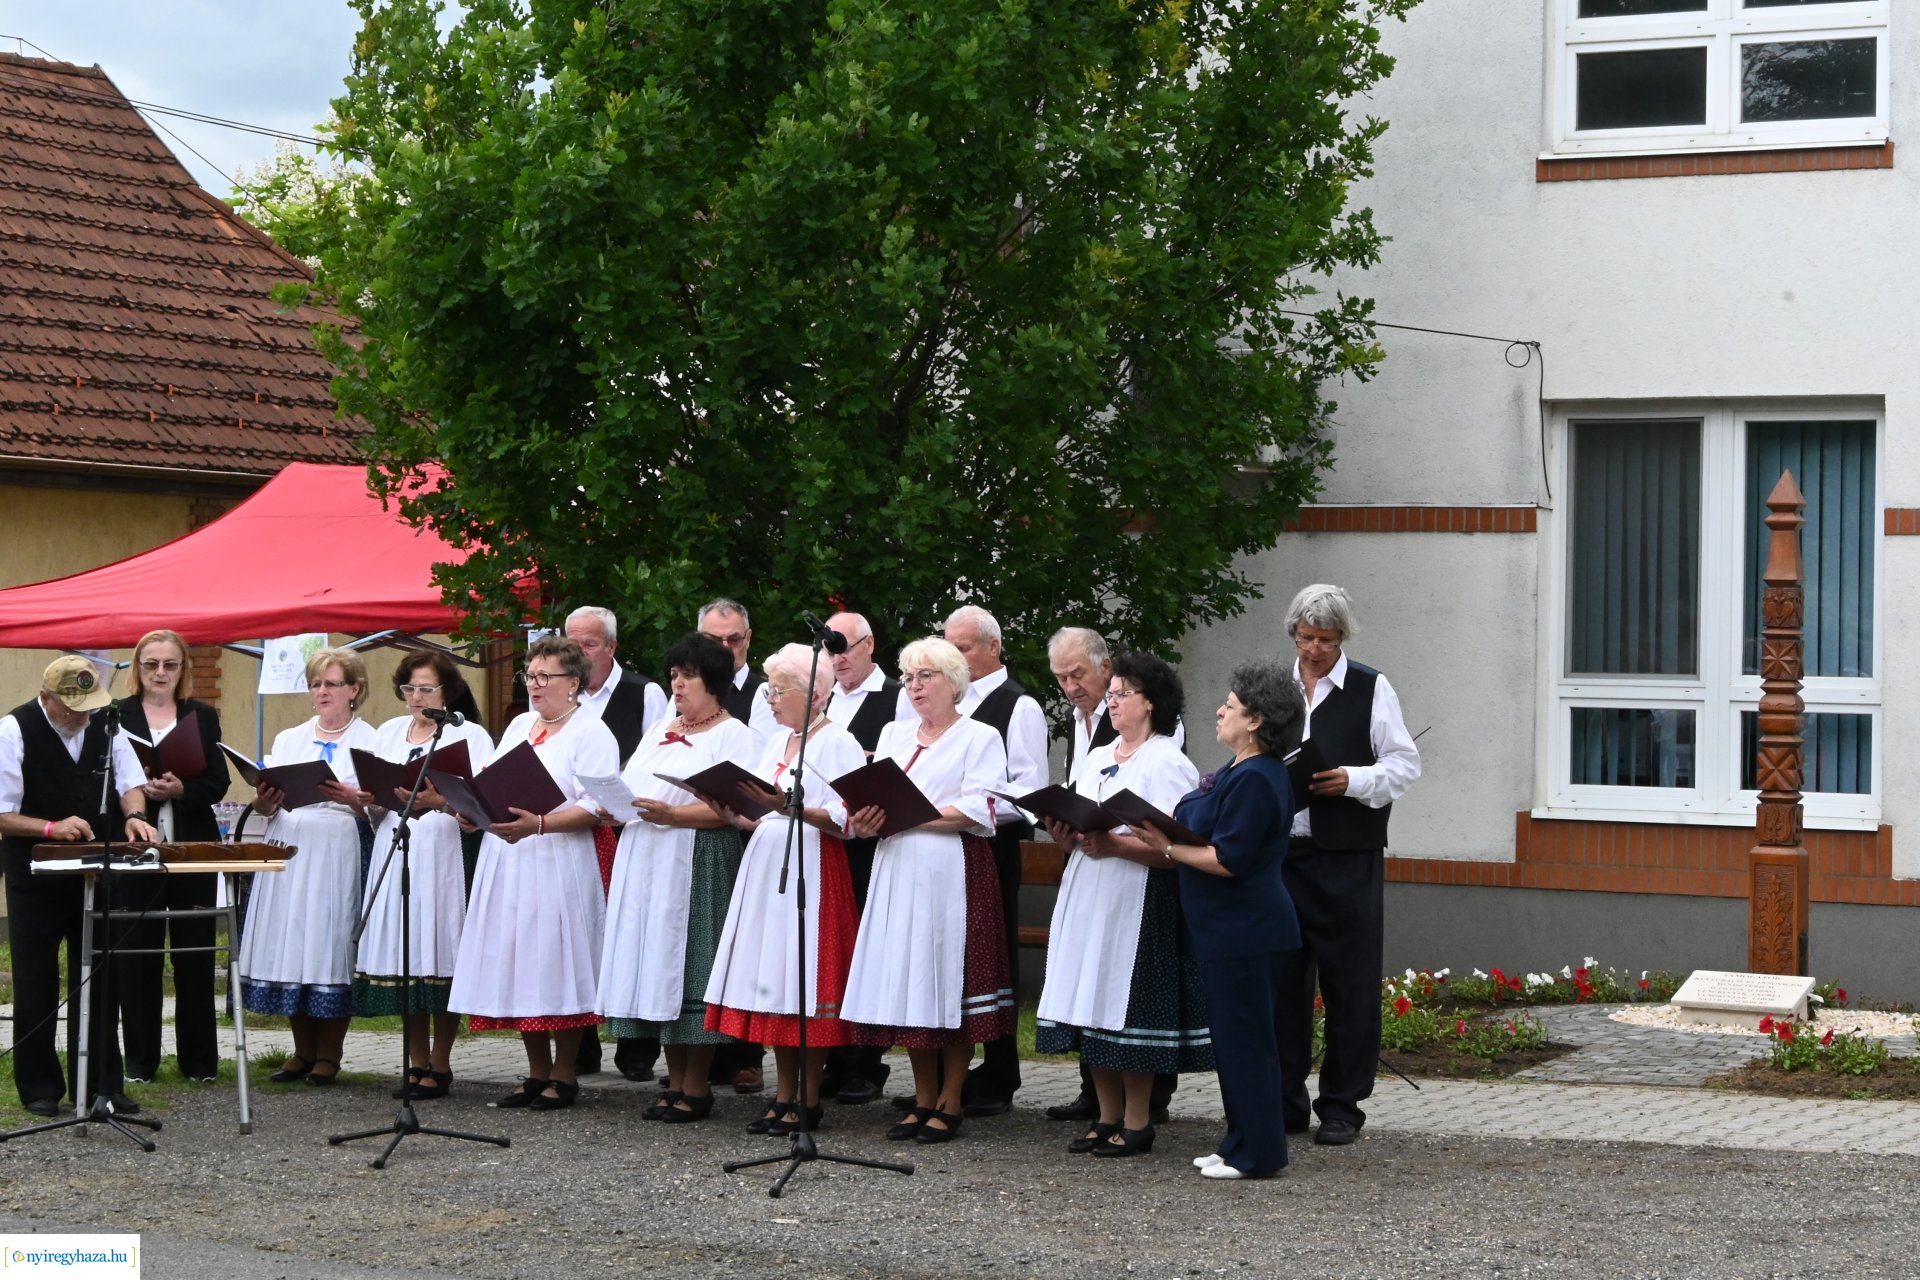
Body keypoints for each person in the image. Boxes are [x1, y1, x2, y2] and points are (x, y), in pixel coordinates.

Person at [841, 637, 1017, 1144]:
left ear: (954, 683)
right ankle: (922, 1097)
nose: (915, 686)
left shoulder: (979, 736)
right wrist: (870, 818)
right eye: (910, 677)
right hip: (897, 868)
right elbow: (871, 806)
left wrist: (910, 814)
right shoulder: (895, 733)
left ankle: (952, 1097)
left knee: (948, 980)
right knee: (912, 981)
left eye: (927, 676)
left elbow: (975, 808)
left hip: (951, 870)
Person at [1134, 659, 1305, 1180]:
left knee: (1249, 1043)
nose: (1218, 711)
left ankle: (1262, 1153)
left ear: (1254, 720)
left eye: (1229, 705)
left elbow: (1229, 859)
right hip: (1221, 929)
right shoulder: (1235, 769)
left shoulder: (1259, 777)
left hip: (1247, 929)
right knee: (1230, 1041)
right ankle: (1237, 1141)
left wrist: (1167, 849)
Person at [1035, 653, 1206, 1158]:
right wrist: (1063, 831)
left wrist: (1115, 845)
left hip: (1138, 898)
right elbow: (1084, 821)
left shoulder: (1168, 761)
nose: (1111, 703)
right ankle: (1105, 1114)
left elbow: (1176, 847)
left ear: (1150, 701)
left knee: (1127, 1010)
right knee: (1091, 1001)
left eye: (1121, 694)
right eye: (1110, 694)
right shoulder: (1098, 755)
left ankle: (1137, 1119)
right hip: (1089, 892)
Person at [1276, 584, 1421, 1146]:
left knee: (1350, 983)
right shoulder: (1275, 688)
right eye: (1306, 637)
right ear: (1294, 633)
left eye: (1326, 640)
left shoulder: (1369, 686)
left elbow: (1404, 765)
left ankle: (1341, 1105)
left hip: (1346, 858)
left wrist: (1352, 780)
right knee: (1282, 984)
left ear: (1343, 638)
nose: (1314, 649)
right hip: (1284, 855)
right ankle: (1285, 1100)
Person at [449, 636, 619, 1112]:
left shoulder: (591, 731)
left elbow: (596, 806)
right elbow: (490, 779)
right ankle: (536, 1072)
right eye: (530, 675)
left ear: (574, 683)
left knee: (556, 961)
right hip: (509, 857)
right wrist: (473, 810)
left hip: (559, 859)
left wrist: (541, 823)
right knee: (519, 960)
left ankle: (564, 1075)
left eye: (545, 677)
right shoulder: (521, 724)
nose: (534, 685)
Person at [596, 632, 760, 1122]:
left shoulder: (736, 735)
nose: (677, 684)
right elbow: (634, 785)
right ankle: (675, 1079)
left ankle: (698, 1084)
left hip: (699, 856)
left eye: (686, 676)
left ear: (713, 681)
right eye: (673, 675)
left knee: (692, 962)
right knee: (657, 964)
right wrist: (617, 806)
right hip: (648, 858)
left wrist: (676, 816)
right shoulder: (662, 730)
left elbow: (737, 809)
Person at [704, 643, 865, 1134]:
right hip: (768, 861)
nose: (769, 698)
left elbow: (847, 818)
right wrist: (736, 808)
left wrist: (790, 807)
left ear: (814, 694)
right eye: (768, 688)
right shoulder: (776, 742)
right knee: (775, 978)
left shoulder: (837, 742)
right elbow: (765, 808)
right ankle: (783, 1092)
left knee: (804, 982)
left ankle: (808, 1096)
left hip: (812, 864)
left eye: (779, 690)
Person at [0, 656, 151, 1116]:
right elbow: (2, 813)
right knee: (36, 977)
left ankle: (102, 1082)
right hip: (35, 873)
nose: (83, 715)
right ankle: (40, 1085)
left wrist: (136, 816)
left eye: (88, 705)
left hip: (97, 868)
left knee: (103, 975)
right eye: (72, 707)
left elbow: (131, 782)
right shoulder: (12, 730)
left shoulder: (107, 725)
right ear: (46, 698)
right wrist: (49, 828)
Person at [352, 651, 496, 1101]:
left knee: (439, 948)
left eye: (426, 689)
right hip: (396, 847)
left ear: (447, 692)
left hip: (444, 851)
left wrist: (442, 802)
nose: (416, 697)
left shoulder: (469, 734)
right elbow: (379, 794)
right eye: (410, 689)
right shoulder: (391, 732)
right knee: (407, 952)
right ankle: (416, 1061)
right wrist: (368, 797)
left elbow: (483, 804)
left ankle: (442, 1059)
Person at [236, 647, 379, 1087]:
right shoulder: (290, 738)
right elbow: (270, 800)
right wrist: (263, 801)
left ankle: (329, 1055)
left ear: (354, 690)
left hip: (338, 844)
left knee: (328, 940)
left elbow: (380, 807)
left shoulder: (371, 739)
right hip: (292, 841)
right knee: (294, 938)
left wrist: (355, 800)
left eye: (332, 684)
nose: (322, 692)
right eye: (316, 684)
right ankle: (301, 1051)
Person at [942, 604, 1046, 1115]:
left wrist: (972, 805)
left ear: (992, 647)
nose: (952, 657)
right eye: (948, 646)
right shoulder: (944, 704)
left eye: (961, 648)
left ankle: (1002, 1070)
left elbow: (1028, 790)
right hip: (943, 844)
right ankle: (946, 1071)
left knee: (994, 951)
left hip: (992, 844)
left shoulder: (1017, 705)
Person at [114, 629, 231, 1084]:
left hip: (190, 844)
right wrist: (136, 791)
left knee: (194, 951)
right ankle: (140, 1061)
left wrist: (183, 790)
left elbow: (217, 781)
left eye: (169, 664)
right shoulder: (115, 715)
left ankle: (199, 1062)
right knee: (138, 952)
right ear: (137, 668)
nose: (160, 673)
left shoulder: (200, 716)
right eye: (151, 664)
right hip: (134, 845)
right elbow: (102, 780)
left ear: (183, 670)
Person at [564, 604, 666, 1081]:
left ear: (610, 647)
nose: (577, 653)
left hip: (628, 830)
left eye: (587, 644)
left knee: (628, 932)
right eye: (571, 642)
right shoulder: (553, 694)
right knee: (581, 936)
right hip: (574, 830)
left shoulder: (643, 693)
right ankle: (580, 1044)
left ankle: (636, 1047)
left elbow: (657, 756)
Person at [817, 609, 912, 1105]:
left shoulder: (898, 697)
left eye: (844, 646)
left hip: (873, 839)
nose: (837, 656)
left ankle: (865, 1063)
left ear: (869, 645)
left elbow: (912, 762)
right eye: (830, 648)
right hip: (828, 838)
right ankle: (833, 1056)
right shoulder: (823, 697)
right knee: (834, 947)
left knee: (865, 948)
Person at [697, 597, 776, 1093]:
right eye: (715, 641)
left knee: (750, 942)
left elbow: (767, 760)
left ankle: (748, 1054)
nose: (727, 649)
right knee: (712, 944)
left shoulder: (766, 693)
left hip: (752, 828)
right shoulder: (683, 689)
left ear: (749, 639)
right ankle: (706, 1052)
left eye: (735, 639)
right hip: (706, 825)